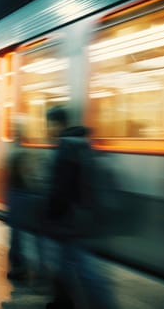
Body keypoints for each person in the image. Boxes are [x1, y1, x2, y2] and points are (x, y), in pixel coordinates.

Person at [43, 106, 114, 309]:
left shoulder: (65, 147)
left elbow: (61, 187)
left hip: (69, 217)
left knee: (84, 266)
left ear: (57, 124)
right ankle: (62, 300)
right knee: (66, 261)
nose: (48, 129)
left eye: (49, 124)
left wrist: (51, 213)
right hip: (83, 214)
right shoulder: (83, 143)